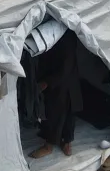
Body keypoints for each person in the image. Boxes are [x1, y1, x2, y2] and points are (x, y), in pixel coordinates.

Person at [29, 31, 80, 159]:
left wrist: (47, 82)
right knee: (56, 110)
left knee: (61, 111)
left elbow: (67, 64)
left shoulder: (67, 36)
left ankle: (54, 144)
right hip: (57, 74)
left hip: (63, 78)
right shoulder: (55, 31)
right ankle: (57, 142)